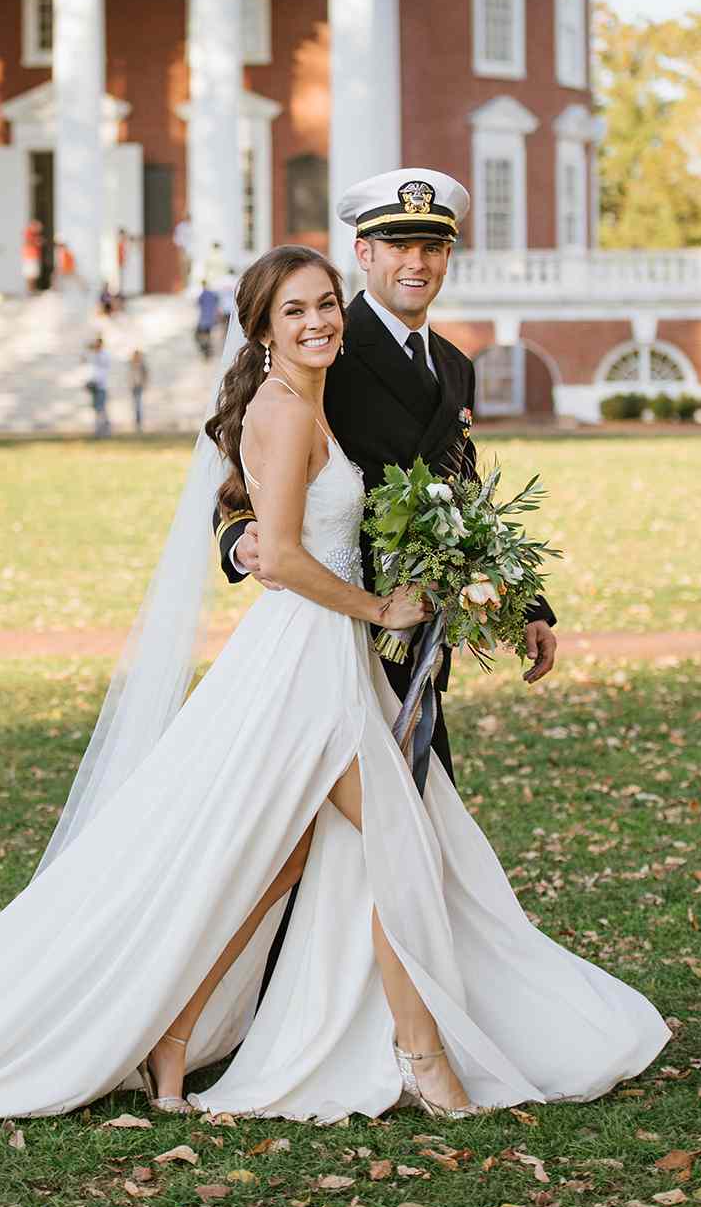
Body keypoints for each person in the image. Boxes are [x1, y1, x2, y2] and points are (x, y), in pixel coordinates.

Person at [0, 244, 669, 1125]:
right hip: (309, 658)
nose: (319, 322)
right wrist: (375, 608)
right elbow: (282, 553)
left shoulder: (345, 392)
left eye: (326, 305)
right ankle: (424, 1057)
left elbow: (442, 489)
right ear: (260, 328)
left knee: (286, 860)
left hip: (331, 657)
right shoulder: (285, 407)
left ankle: (175, 1033)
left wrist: (483, 587)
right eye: (296, 310)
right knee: (397, 845)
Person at [219, 169, 557, 797]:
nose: (416, 263)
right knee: (379, 822)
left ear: (448, 256)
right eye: (399, 245)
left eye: (432, 247)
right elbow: (245, 467)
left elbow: (463, 492)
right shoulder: (322, 346)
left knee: (406, 811)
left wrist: (525, 606)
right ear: (364, 252)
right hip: (345, 620)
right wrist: (242, 540)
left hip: (422, 625)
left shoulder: (454, 365)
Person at [85, 336, 112, 438]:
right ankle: (98, 430)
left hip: (101, 386)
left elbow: (102, 371)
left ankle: (105, 430)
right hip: (94, 386)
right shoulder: (94, 356)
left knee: (101, 409)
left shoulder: (104, 355)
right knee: (97, 409)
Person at [194, 280, 219, 359]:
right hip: (211, 318)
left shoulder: (203, 294)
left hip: (204, 320)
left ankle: (206, 351)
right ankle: (208, 351)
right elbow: (217, 301)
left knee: (199, 336)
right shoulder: (212, 294)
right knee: (207, 335)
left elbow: (198, 303)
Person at [21, 219, 44, 297]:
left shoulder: (34, 234)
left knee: (33, 274)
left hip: (33, 256)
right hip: (30, 256)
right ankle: (30, 291)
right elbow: (29, 242)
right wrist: (37, 241)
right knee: (30, 274)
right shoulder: (28, 233)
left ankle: (32, 290)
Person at [128, 349, 148, 432]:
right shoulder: (132, 365)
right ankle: (137, 424)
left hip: (139, 387)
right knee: (135, 406)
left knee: (138, 406)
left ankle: (139, 425)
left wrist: (144, 384)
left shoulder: (142, 365)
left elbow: (146, 376)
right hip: (133, 387)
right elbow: (130, 376)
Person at [173, 210, 193, 289]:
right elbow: (177, 239)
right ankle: (185, 285)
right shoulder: (181, 227)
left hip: (191, 250)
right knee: (184, 268)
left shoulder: (192, 227)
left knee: (189, 267)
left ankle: (188, 283)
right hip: (184, 250)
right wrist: (181, 249)